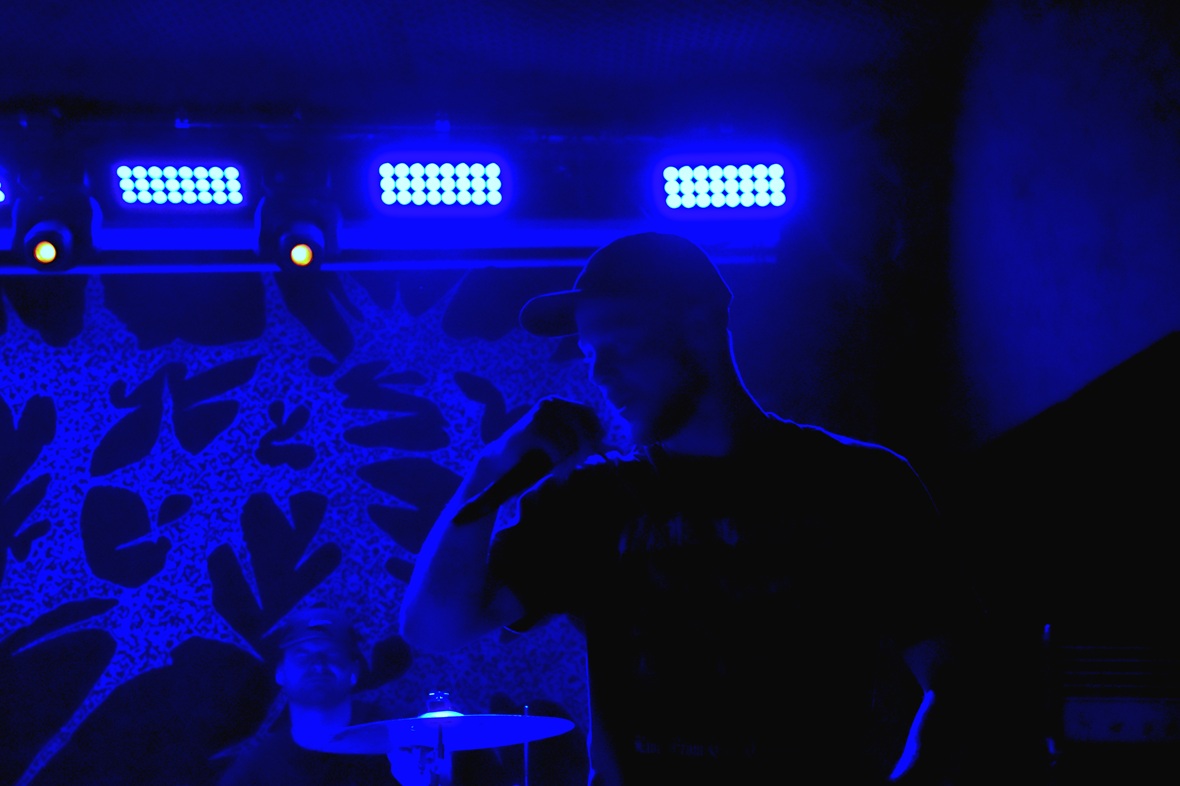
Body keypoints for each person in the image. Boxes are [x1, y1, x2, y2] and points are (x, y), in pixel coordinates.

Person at [400, 232, 983, 785]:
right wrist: (490, 469)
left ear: (702, 324)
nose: (600, 374)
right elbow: (433, 628)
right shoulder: (592, 499)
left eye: (620, 343)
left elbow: (957, 678)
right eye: (589, 353)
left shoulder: (863, 483)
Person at [218, 606, 449, 786]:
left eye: (332, 653)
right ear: (281, 672)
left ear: (354, 671)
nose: (318, 664)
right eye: (302, 655)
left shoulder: (402, 743)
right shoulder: (254, 771)